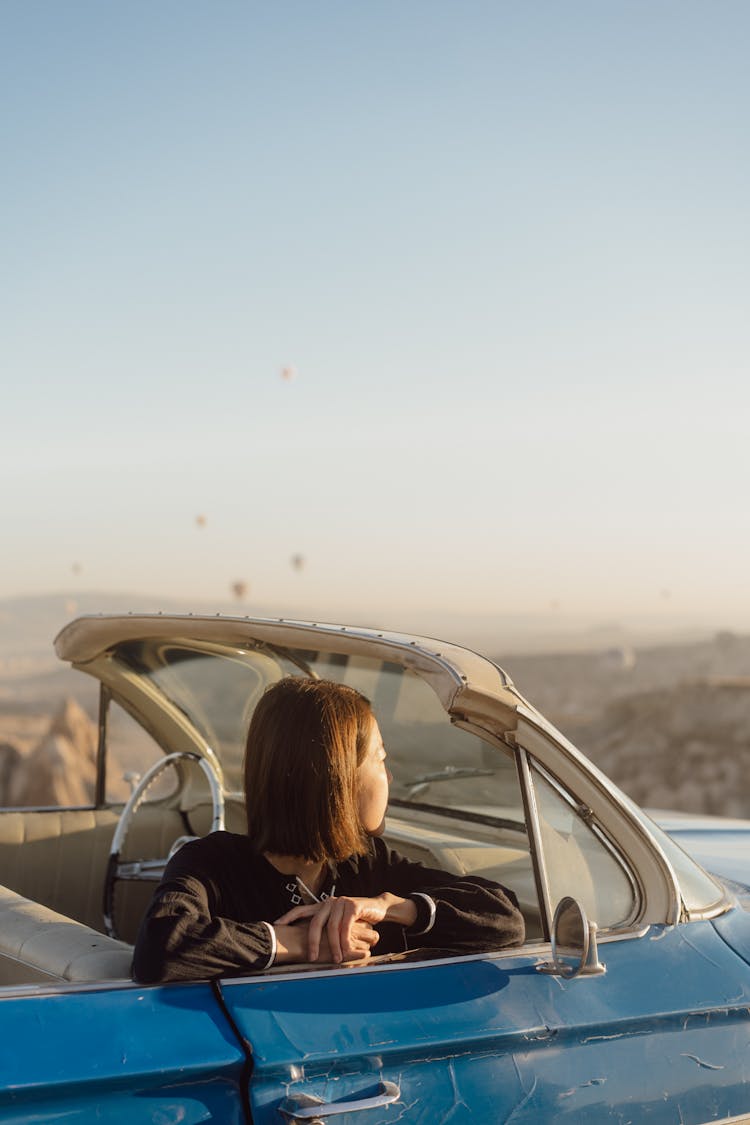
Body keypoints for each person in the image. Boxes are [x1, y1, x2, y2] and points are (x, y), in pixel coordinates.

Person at [132, 677, 525, 982]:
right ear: (339, 780)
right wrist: (302, 942)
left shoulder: (368, 866)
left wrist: (391, 907)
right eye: (380, 759)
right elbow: (160, 948)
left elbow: (505, 918)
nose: (389, 775)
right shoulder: (211, 865)